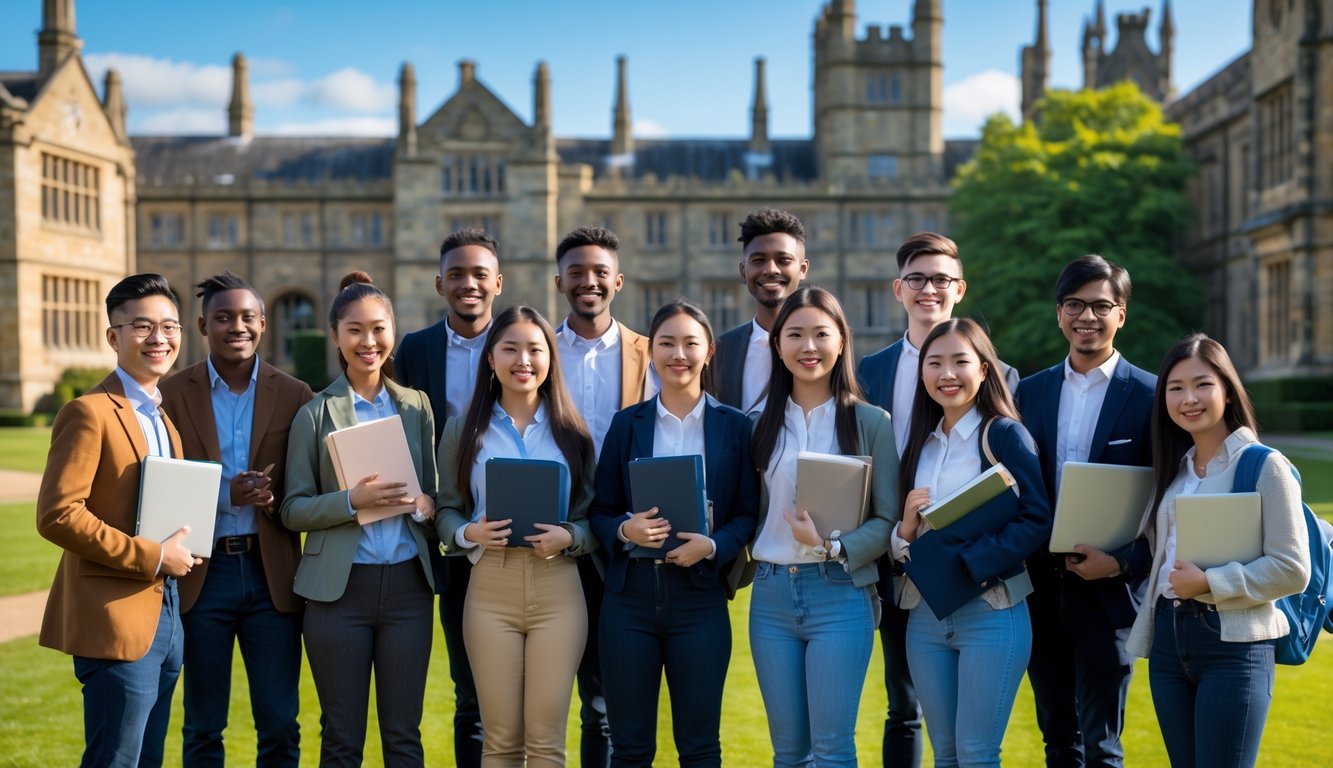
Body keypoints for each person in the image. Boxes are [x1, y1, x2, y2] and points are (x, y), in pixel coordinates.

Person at [856, 232, 1018, 768]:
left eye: (942, 280)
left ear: (959, 289)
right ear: (898, 289)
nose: (930, 289)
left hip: (972, 566)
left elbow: (1016, 492)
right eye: (918, 279)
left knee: (970, 737)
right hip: (889, 551)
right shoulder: (866, 372)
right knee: (902, 704)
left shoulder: (1002, 376)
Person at [37, 273, 199, 767]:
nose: (159, 338)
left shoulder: (161, 418)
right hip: (113, 618)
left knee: (147, 760)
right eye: (143, 327)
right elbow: (58, 515)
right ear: (114, 336)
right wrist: (153, 556)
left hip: (166, 617)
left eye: (169, 327)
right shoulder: (88, 412)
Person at [1127, 334, 1310, 768]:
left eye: (1202, 384)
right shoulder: (1176, 471)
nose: (1188, 398)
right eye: (1175, 388)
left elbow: (1292, 567)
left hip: (1234, 647)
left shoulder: (1265, 465)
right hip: (1169, 641)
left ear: (1227, 391)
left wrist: (1210, 582)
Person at [590, 299, 759, 767]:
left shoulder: (735, 427)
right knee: (629, 747)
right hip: (630, 600)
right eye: (666, 342)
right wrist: (626, 529)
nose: (677, 353)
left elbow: (748, 512)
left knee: (701, 746)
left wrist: (715, 545)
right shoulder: (627, 425)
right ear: (651, 352)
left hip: (700, 597)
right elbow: (600, 512)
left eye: (690, 343)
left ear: (709, 352)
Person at [281, 271, 438, 766]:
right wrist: (352, 500)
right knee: (342, 737)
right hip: (338, 594)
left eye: (378, 328)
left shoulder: (417, 407)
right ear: (335, 337)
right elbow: (292, 509)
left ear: (392, 330)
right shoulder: (315, 412)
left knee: (403, 736)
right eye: (354, 330)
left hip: (409, 590)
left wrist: (429, 505)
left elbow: (432, 494)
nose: (368, 342)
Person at [160, 271, 313, 766]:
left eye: (247, 316)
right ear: (202, 325)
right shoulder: (172, 392)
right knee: (203, 725)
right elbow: (160, 484)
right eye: (223, 317)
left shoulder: (295, 394)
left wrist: (272, 499)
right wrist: (227, 494)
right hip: (204, 572)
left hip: (273, 576)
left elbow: (308, 484)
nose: (236, 326)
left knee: (279, 723)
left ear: (263, 323)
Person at [435, 305, 599, 768]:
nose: (522, 360)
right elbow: (445, 509)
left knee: (547, 741)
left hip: (558, 589)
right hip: (490, 589)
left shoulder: (573, 432)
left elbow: (592, 518)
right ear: (491, 358)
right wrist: (469, 531)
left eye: (535, 348)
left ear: (550, 358)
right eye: (510, 348)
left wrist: (570, 536)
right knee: (501, 741)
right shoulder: (464, 431)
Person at [745, 286, 896, 768]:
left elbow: (887, 520)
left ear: (842, 341)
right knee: (788, 752)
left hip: (841, 593)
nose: (808, 347)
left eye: (820, 334)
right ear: (777, 344)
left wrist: (833, 547)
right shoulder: (754, 424)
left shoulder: (871, 422)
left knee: (832, 749)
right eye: (794, 335)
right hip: (769, 597)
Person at [892, 317, 1052, 768]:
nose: (947, 374)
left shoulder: (1004, 434)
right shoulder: (917, 446)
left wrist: (972, 562)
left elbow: (1037, 518)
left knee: (978, 754)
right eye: (935, 363)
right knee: (945, 755)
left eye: (960, 361)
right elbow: (905, 537)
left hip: (993, 611)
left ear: (984, 369)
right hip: (925, 615)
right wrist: (903, 530)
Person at [1015, 255, 1155, 768]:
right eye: (1075, 304)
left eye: (1102, 306)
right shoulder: (1028, 393)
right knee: (1058, 739)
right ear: (1059, 313)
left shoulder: (1151, 395)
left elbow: (1168, 501)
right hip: (1040, 590)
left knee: (1102, 746)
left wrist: (1122, 563)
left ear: (1121, 314)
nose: (1087, 317)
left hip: (1109, 594)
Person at [395, 227, 503, 768]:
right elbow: (395, 433)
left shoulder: (524, 343)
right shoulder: (413, 350)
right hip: (449, 539)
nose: (468, 284)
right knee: (470, 694)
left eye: (479, 274)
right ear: (440, 284)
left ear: (498, 283)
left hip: (518, 534)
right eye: (457, 274)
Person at [552, 225, 655, 766]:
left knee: (607, 701)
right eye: (576, 273)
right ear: (559, 281)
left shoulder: (651, 352)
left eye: (598, 273)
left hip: (623, 537)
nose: (588, 282)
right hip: (555, 531)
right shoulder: (536, 350)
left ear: (618, 280)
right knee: (543, 698)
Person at [710, 208, 809, 413]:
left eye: (783, 260)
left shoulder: (824, 346)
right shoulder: (722, 351)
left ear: (803, 269)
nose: (771, 269)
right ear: (743, 271)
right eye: (758, 260)